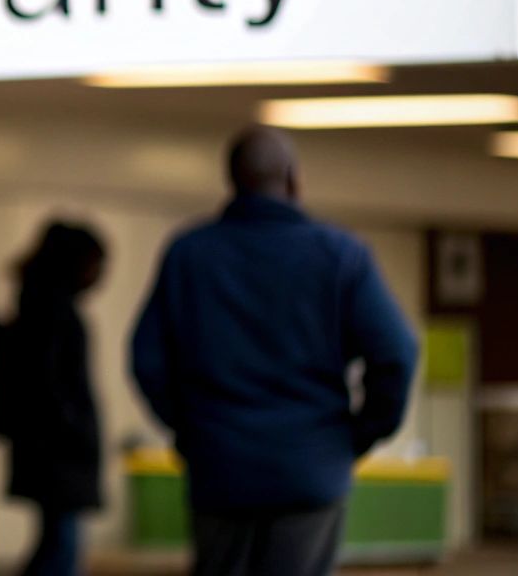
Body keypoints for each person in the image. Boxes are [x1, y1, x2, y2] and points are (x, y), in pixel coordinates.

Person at [130, 126, 418, 576]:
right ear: (293, 178)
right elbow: (396, 353)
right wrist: (356, 435)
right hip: (310, 467)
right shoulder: (340, 255)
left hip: (220, 466)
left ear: (232, 180)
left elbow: (146, 358)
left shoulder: (189, 254)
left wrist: (192, 428)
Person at [3, 220, 108, 576]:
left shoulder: (37, 303)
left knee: (55, 544)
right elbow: (49, 383)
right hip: (59, 454)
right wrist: (75, 428)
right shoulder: (52, 309)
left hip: (52, 451)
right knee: (62, 548)